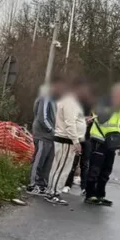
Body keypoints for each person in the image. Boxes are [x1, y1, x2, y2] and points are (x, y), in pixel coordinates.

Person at [84, 82, 120, 206]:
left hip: (112, 143)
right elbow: (102, 118)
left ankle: (100, 195)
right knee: (95, 169)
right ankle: (90, 194)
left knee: (106, 171)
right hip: (99, 140)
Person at [45, 76, 88, 205]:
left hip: (66, 138)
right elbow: (69, 123)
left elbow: (72, 120)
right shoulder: (70, 101)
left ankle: (52, 191)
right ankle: (54, 193)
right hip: (66, 139)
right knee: (61, 167)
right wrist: (76, 141)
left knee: (59, 166)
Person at [27, 77, 63, 196]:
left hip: (51, 135)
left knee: (48, 160)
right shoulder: (46, 98)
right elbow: (43, 118)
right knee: (39, 159)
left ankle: (42, 184)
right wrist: (52, 131)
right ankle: (33, 184)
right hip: (43, 134)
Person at [64, 84, 95, 193]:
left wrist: (92, 120)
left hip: (87, 139)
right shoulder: (76, 107)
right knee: (73, 161)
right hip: (77, 137)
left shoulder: (93, 109)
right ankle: (67, 184)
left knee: (85, 163)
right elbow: (72, 120)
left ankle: (84, 187)